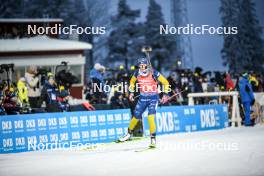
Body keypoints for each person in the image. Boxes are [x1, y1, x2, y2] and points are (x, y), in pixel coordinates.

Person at [118, 58, 170, 148]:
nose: (142, 68)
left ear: (147, 65)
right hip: (142, 98)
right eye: (140, 66)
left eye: (144, 66)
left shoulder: (154, 72)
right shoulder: (137, 73)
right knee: (136, 116)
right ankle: (128, 134)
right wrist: (131, 92)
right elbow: (132, 82)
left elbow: (165, 82)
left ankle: (153, 139)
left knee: (150, 118)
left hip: (153, 98)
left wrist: (165, 94)